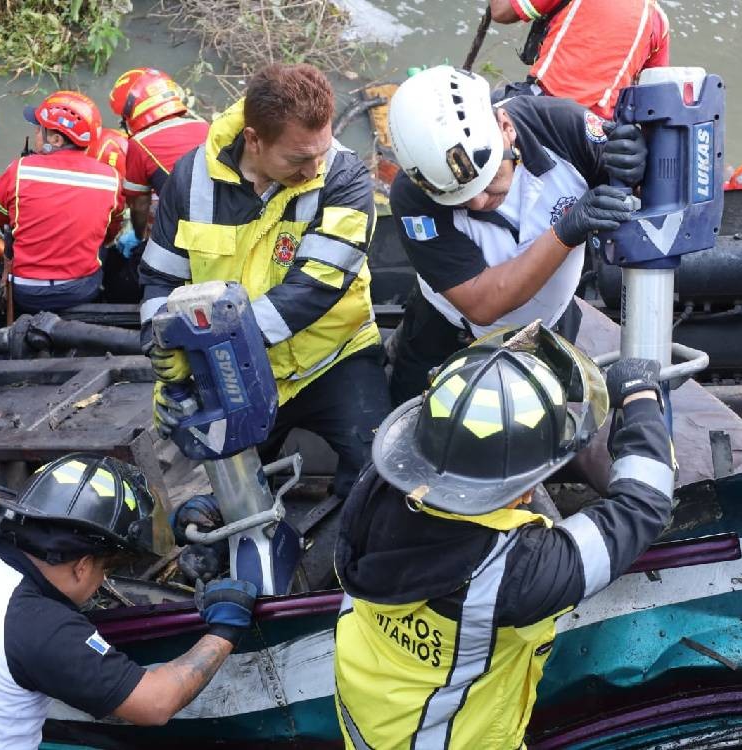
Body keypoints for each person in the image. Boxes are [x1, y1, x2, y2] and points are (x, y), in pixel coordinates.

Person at [333, 328, 675, 749]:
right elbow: (642, 507)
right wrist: (641, 396)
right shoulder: (513, 573)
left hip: (371, 728)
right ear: (525, 489)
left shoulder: (376, 491)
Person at [140, 63, 390, 502]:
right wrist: (164, 353)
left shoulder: (346, 179)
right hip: (234, 370)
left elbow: (315, 287)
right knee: (218, 501)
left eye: (321, 151)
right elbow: (160, 279)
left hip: (332, 360)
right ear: (254, 140)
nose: (314, 169)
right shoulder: (189, 180)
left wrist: (205, 353)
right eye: (298, 159)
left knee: (377, 475)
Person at [0, 453, 258, 750]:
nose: (103, 581)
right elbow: (156, 703)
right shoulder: (41, 628)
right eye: (105, 569)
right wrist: (224, 631)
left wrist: (162, 530)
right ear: (82, 566)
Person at [386, 65, 646, 404]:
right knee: (418, 417)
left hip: (549, 327)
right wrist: (566, 230)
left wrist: (639, 166)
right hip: (449, 332)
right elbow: (481, 302)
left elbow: (651, 207)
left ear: (505, 127)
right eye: (461, 197)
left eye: (488, 177)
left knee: (544, 425)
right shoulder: (412, 194)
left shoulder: (563, 128)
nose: (479, 201)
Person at [0, 91, 124, 314]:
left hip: (26, 291)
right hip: (80, 290)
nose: (36, 132)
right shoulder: (110, 178)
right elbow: (111, 232)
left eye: (40, 128)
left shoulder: (20, 170)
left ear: (56, 139)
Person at [490, 0, 670, 118]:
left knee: (476, 106)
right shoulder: (659, 21)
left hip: (545, 108)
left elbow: (500, 11)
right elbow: (653, 101)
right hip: (600, 135)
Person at [108, 68, 209, 239]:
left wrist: (141, 237)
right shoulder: (204, 125)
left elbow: (139, 205)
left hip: (190, 231)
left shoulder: (140, 143)